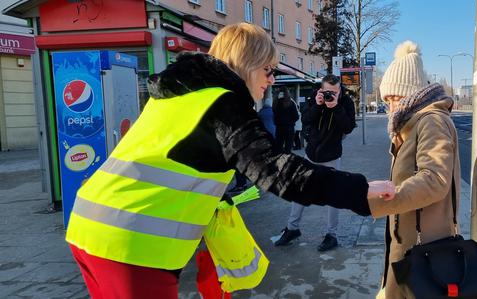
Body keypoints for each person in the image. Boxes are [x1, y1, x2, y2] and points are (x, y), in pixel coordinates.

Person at [65, 23, 395, 299]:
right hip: (128, 243)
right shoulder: (223, 103)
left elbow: (182, 163)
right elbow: (279, 171)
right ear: (247, 63)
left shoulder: (183, 95)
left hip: (90, 225)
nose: (272, 79)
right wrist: (360, 190)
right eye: (268, 69)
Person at [368, 41, 459, 299]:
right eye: (387, 100)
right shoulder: (409, 125)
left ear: (410, 93)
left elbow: (435, 179)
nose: (391, 106)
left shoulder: (431, 121)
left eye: (395, 98)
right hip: (410, 244)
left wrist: (381, 200)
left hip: (425, 249)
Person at [274, 74, 357, 252]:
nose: (331, 95)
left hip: (332, 156)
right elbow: (305, 120)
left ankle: (331, 235)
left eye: (335, 92)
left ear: (340, 89)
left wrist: (335, 108)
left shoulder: (346, 102)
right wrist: (318, 106)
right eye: (327, 91)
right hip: (311, 154)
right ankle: (292, 229)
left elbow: (348, 127)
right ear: (321, 89)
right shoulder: (314, 97)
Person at [272, 88, 299, 153]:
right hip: (289, 128)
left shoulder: (276, 103)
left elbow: (274, 114)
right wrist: (291, 122)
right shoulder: (291, 103)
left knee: (279, 147)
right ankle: (287, 160)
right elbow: (296, 116)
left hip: (279, 128)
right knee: (288, 147)